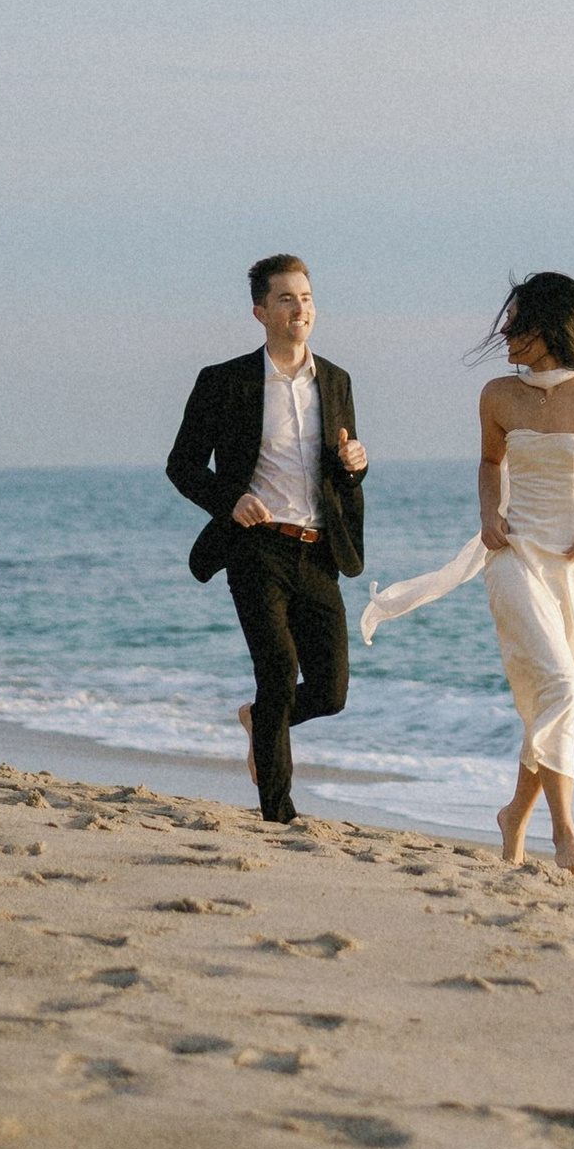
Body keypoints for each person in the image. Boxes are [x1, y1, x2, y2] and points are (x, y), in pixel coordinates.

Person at [361, 271, 574, 873]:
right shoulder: (499, 394)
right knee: (557, 686)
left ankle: (513, 818)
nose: (504, 331)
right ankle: (565, 833)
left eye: (517, 320)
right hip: (516, 556)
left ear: (550, 326)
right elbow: (488, 462)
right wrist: (487, 515)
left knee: (554, 704)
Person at [165, 254, 368, 825]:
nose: (299, 307)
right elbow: (182, 465)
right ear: (260, 312)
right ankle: (278, 815)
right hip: (254, 547)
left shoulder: (336, 380)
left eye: (305, 297)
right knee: (278, 672)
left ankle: (260, 719)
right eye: (285, 298)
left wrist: (355, 464)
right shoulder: (223, 381)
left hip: (316, 547)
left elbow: (342, 466)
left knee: (329, 692)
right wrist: (230, 499)